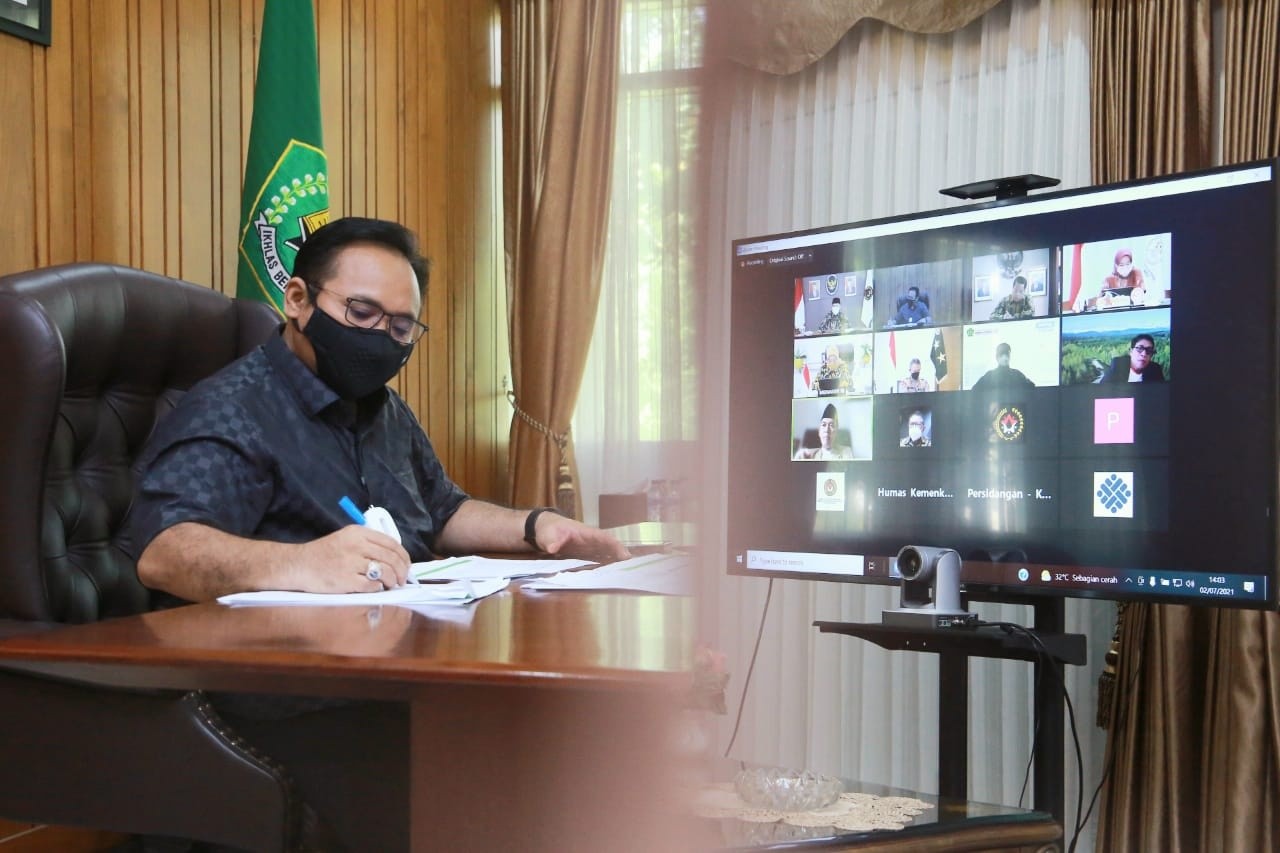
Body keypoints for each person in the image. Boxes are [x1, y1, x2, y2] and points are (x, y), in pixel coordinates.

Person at [123, 216, 628, 850]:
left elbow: (440, 512)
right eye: (361, 313)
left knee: (550, 736)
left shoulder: (383, 409)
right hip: (284, 695)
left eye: (400, 327)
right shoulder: (235, 408)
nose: (379, 339)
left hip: (394, 665)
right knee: (473, 774)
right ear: (299, 300)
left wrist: (538, 526)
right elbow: (165, 552)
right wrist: (302, 563)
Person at [971, 341, 1035, 393]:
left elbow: (1031, 387)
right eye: (1002, 354)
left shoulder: (1017, 374)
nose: (1005, 357)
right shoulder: (989, 376)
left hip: (1015, 408)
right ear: (997, 357)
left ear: (1009, 356)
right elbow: (975, 390)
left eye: (1007, 354)